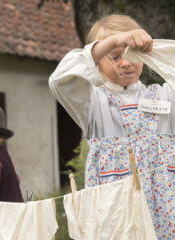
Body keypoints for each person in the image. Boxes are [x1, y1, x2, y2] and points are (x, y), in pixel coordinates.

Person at [49, 14, 175, 238]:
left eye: (132, 55)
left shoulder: (164, 97)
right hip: (115, 216)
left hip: (164, 219)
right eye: (115, 57)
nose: (125, 63)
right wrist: (113, 41)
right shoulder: (94, 103)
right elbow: (59, 79)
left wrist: (153, 50)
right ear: (97, 61)